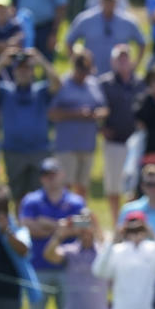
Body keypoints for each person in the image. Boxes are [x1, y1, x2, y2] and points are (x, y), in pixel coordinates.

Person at [17, 158, 85, 309]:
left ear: (61, 175)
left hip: (67, 269)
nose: (49, 178)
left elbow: (81, 228)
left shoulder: (75, 200)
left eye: (53, 173)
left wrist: (48, 224)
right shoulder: (32, 199)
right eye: (45, 174)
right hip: (38, 268)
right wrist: (61, 228)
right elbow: (28, 227)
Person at [0, 47, 60, 202]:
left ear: (32, 72)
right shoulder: (6, 91)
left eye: (27, 69)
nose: (23, 73)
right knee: (17, 195)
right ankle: (21, 225)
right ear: (14, 72)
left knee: (41, 194)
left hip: (39, 150)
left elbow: (57, 83)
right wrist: (1, 62)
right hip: (14, 151)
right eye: (20, 70)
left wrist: (41, 60)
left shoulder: (41, 91)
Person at [50, 47, 105, 198]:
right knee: (65, 185)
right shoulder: (62, 84)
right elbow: (52, 114)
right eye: (81, 71)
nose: (83, 75)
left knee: (83, 186)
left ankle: (80, 219)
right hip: (67, 145)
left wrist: (95, 114)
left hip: (87, 144)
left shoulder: (93, 84)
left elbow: (103, 108)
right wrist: (77, 114)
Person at [99, 44, 146, 222]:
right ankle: (115, 223)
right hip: (114, 142)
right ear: (113, 62)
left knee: (132, 187)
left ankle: (130, 222)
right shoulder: (104, 83)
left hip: (136, 143)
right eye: (120, 58)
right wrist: (100, 128)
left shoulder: (140, 83)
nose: (123, 61)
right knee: (113, 188)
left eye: (126, 57)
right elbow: (95, 107)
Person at [66, 0, 145, 77]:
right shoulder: (86, 19)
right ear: (100, 0)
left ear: (117, 0)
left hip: (118, 78)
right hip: (92, 75)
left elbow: (142, 43)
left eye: (111, 1)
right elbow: (69, 41)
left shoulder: (128, 21)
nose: (108, 4)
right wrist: (78, 64)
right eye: (106, 0)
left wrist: (135, 64)